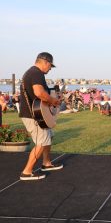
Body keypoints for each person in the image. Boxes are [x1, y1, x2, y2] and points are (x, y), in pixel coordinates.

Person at [18, 52, 63, 181]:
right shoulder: (36, 73)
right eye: (50, 66)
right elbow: (39, 93)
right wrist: (53, 101)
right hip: (33, 116)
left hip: (38, 114)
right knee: (41, 142)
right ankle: (27, 172)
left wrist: (53, 98)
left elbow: (42, 94)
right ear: (45, 62)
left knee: (49, 135)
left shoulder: (33, 73)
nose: (50, 68)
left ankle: (46, 163)